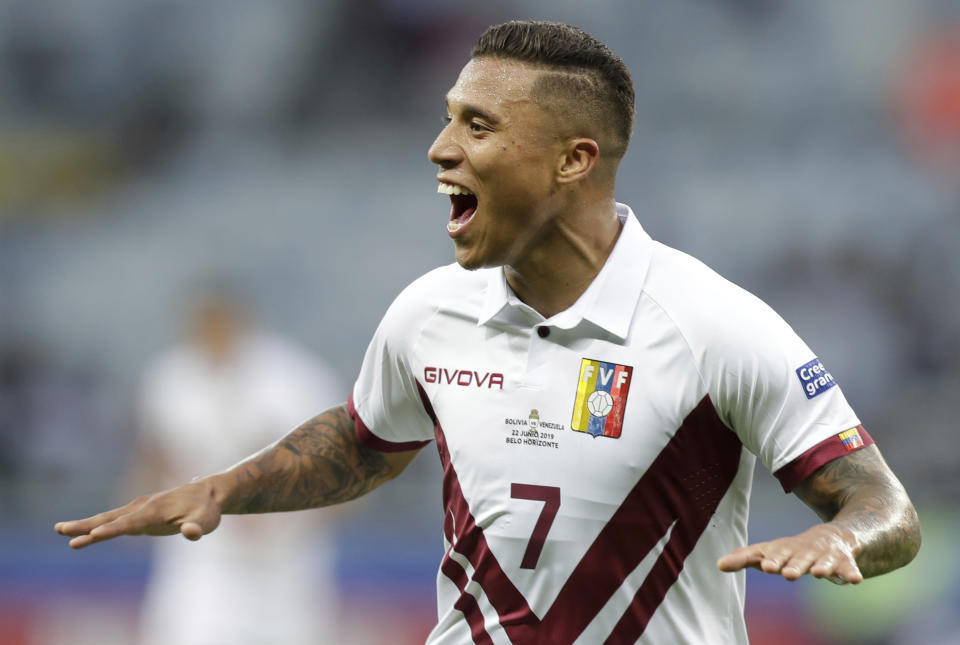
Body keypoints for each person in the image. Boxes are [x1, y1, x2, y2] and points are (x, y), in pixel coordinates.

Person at [56, 21, 921, 644]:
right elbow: (363, 443)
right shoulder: (430, 314)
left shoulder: (712, 326)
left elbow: (885, 505)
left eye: (477, 125)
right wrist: (227, 487)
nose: (438, 148)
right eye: (446, 116)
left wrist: (841, 532)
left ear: (573, 159)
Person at [129, 289, 345, 645]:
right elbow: (156, 458)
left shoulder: (295, 382)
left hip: (286, 571)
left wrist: (285, 513)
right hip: (201, 563)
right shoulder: (169, 380)